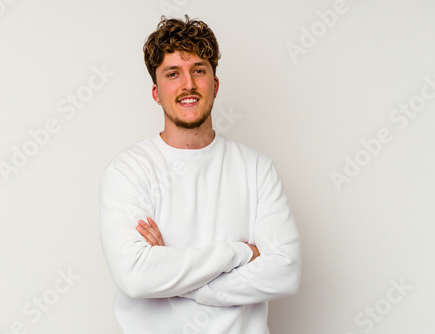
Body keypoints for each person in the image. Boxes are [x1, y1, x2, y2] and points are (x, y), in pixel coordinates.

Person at [99, 15, 301, 334]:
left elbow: (284, 273)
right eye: (173, 73)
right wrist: (240, 253)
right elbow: (136, 277)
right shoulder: (128, 170)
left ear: (215, 84)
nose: (188, 84)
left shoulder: (257, 168)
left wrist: (171, 272)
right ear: (156, 92)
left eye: (199, 70)